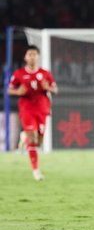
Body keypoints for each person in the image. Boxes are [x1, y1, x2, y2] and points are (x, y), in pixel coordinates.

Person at [8, 45, 58, 181]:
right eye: (29, 54)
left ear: (38, 56)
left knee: (39, 142)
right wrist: (18, 92)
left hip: (42, 109)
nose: (32, 57)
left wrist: (48, 88)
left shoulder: (45, 73)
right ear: (25, 57)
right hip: (27, 109)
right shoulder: (18, 74)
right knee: (33, 139)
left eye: (34, 54)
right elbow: (10, 90)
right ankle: (36, 171)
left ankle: (24, 137)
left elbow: (55, 89)